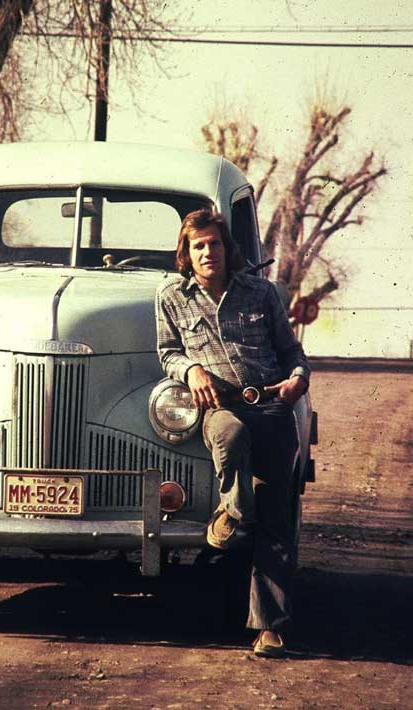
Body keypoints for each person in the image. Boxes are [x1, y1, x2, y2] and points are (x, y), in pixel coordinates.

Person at [155, 208, 310, 658]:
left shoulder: (260, 293)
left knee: (277, 517)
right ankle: (234, 512)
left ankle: (269, 626)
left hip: (271, 406)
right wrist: (191, 369)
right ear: (186, 252)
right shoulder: (172, 297)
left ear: (227, 249)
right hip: (220, 407)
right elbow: (166, 353)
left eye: (215, 244)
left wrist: (298, 378)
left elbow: (293, 352)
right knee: (231, 435)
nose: (208, 253)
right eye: (198, 246)